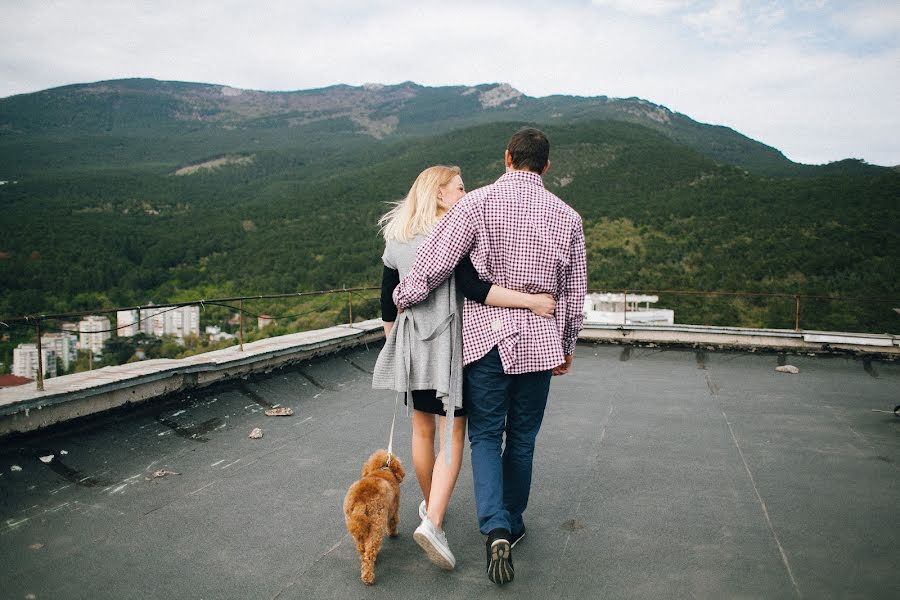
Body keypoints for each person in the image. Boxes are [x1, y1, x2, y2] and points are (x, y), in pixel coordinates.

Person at [392, 128, 587, 585]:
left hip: (486, 343)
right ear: (546, 166)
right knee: (522, 438)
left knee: (483, 436)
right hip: (540, 344)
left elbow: (435, 260)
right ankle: (513, 524)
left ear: (506, 158)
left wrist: (405, 294)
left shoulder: (474, 203)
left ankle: (493, 527)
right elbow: (574, 295)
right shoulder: (568, 217)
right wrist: (567, 344)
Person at [371, 165, 556, 572]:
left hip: (411, 345)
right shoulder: (453, 233)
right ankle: (434, 518)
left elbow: (387, 300)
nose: (465, 193)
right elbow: (475, 288)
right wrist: (533, 302)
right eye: (459, 187)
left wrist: (395, 341)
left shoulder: (397, 236)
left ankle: (430, 505)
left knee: (420, 430)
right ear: (439, 193)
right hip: (452, 348)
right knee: (452, 435)